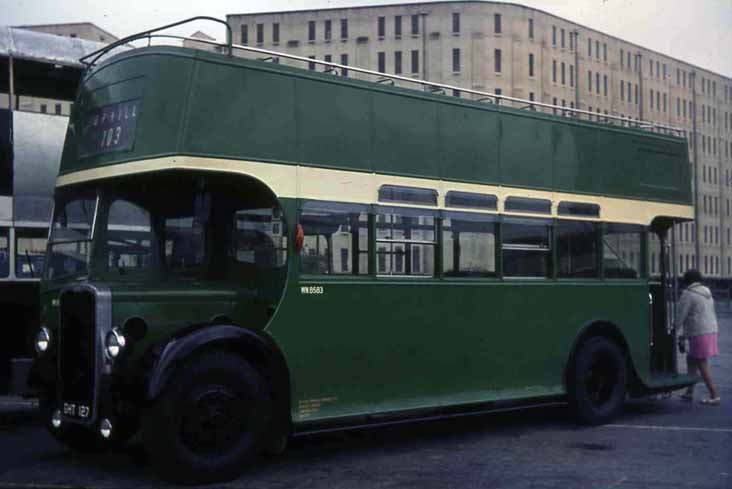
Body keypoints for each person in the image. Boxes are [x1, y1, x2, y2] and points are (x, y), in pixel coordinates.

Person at [677, 269, 721, 405]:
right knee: (692, 359)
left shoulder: (688, 294)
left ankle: (715, 395)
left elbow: (682, 315)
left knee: (702, 364)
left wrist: (674, 330)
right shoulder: (707, 292)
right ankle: (689, 392)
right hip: (710, 330)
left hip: (699, 332)